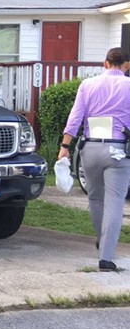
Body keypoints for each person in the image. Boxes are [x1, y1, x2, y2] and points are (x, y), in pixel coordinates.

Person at [58, 47, 130, 272]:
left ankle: (102, 242)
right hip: (118, 149)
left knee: (95, 199)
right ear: (126, 65)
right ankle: (106, 257)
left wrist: (64, 147)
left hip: (89, 149)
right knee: (115, 203)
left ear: (105, 63)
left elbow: (75, 117)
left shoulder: (87, 85)